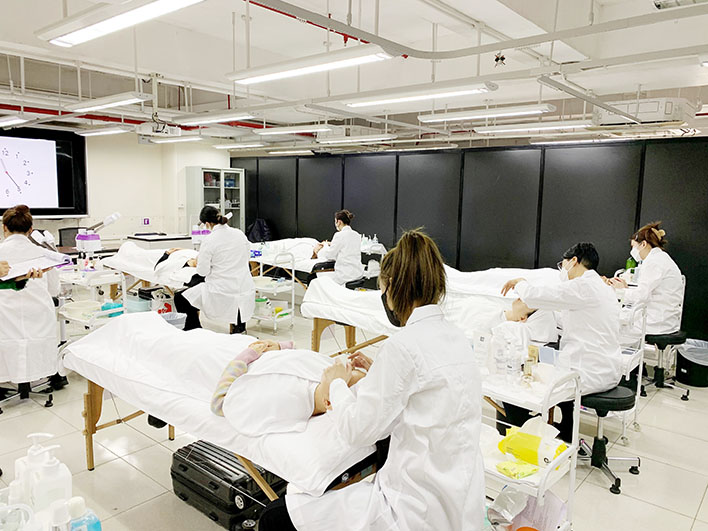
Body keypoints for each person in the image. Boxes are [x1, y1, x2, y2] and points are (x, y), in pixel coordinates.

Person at [259, 230, 485, 531]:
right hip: (460, 500)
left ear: (393, 288)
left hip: (415, 510)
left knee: (276, 518)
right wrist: (380, 372)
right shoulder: (456, 338)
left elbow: (358, 430)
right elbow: (428, 392)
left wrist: (337, 384)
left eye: (383, 290)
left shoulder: (403, 346)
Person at [500, 242, 622, 442]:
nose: (561, 270)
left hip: (589, 372)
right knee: (553, 373)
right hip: (607, 366)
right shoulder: (602, 288)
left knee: (516, 389)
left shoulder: (583, 286)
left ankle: (527, 441)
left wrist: (520, 282)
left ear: (573, 261)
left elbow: (535, 296)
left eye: (562, 264)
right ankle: (565, 433)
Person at [0, 205, 63, 397]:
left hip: (4, 319)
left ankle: (9, 378)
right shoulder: (43, 254)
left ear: (4, 227)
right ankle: (39, 377)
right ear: (30, 230)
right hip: (39, 318)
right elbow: (54, 289)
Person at [173, 206, 255, 333]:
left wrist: (198, 261)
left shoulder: (209, 240)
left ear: (207, 224)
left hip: (222, 290)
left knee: (181, 298)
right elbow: (247, 256)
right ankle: (239, 329)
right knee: (236, 299)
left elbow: (202, 272)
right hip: (244, 286)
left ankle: (195, 331)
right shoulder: (239, 233)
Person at [606, 221, 683, 335]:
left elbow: (641, 296)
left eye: (633, 247)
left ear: (643, 244)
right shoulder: (661, 258)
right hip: (666, 320)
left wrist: (619, 290)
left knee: (610, 325)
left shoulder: (653, 262)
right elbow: (649, 291)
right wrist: (625, 289)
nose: (632, 252)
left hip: (655, 324)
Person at [307, 210, 364, 286]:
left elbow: (330, 256)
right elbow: (346, 248)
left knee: (312, 277)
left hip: (345, 275)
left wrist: (319, 250)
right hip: (357, 273)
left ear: (339, 222)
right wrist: (331, 244)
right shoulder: (356, 235)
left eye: (335, 221)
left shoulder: (339, 235)